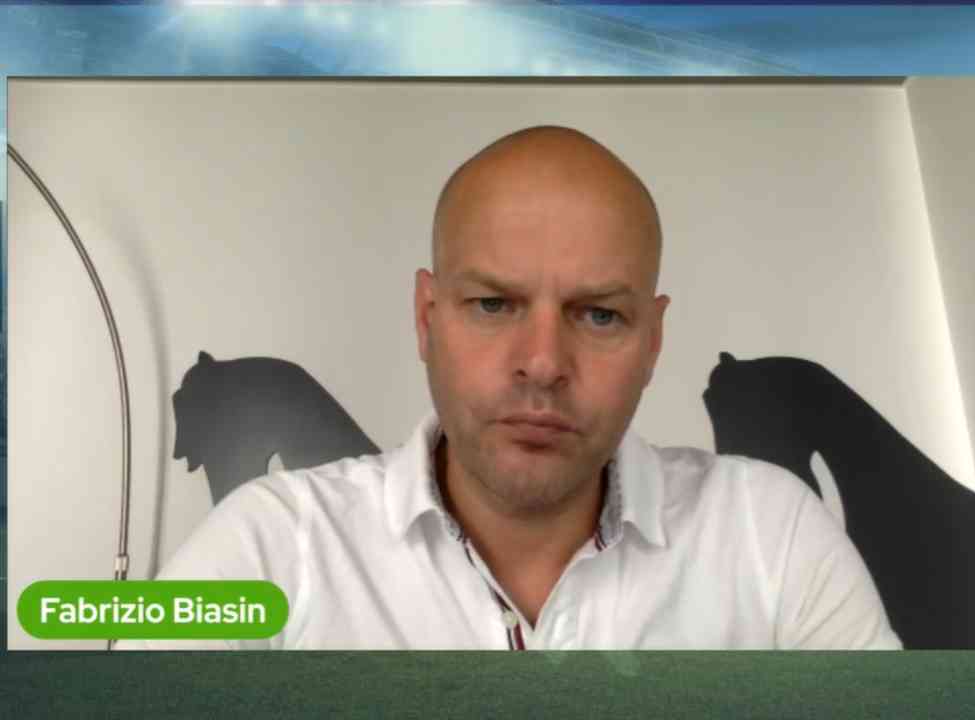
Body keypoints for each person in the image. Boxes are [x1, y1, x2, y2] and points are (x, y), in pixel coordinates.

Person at [119, 126, 901, 650]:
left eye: (599, 315)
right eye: (493, 305)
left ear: (653, 341)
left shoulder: (773, 535)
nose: (543, 363)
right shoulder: (265, 544)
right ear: (427, 318)